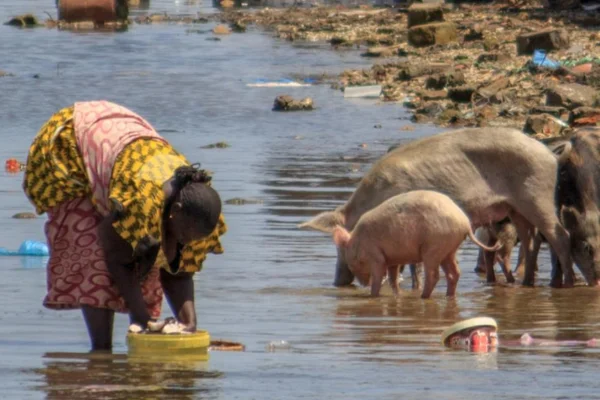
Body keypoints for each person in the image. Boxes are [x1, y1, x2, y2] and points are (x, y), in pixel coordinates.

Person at [23, 100, 227, 351]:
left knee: (153, 254)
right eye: (184, 235)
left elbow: (180, 270)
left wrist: (189, 324)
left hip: (120, 142)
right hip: (72, 144)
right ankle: (101, 352)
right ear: (175, 212)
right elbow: (115, 254)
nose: (187, 241)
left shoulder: (201, 216)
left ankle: (134, 338)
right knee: (92, 252)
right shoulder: (143, 199)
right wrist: (141, 317)